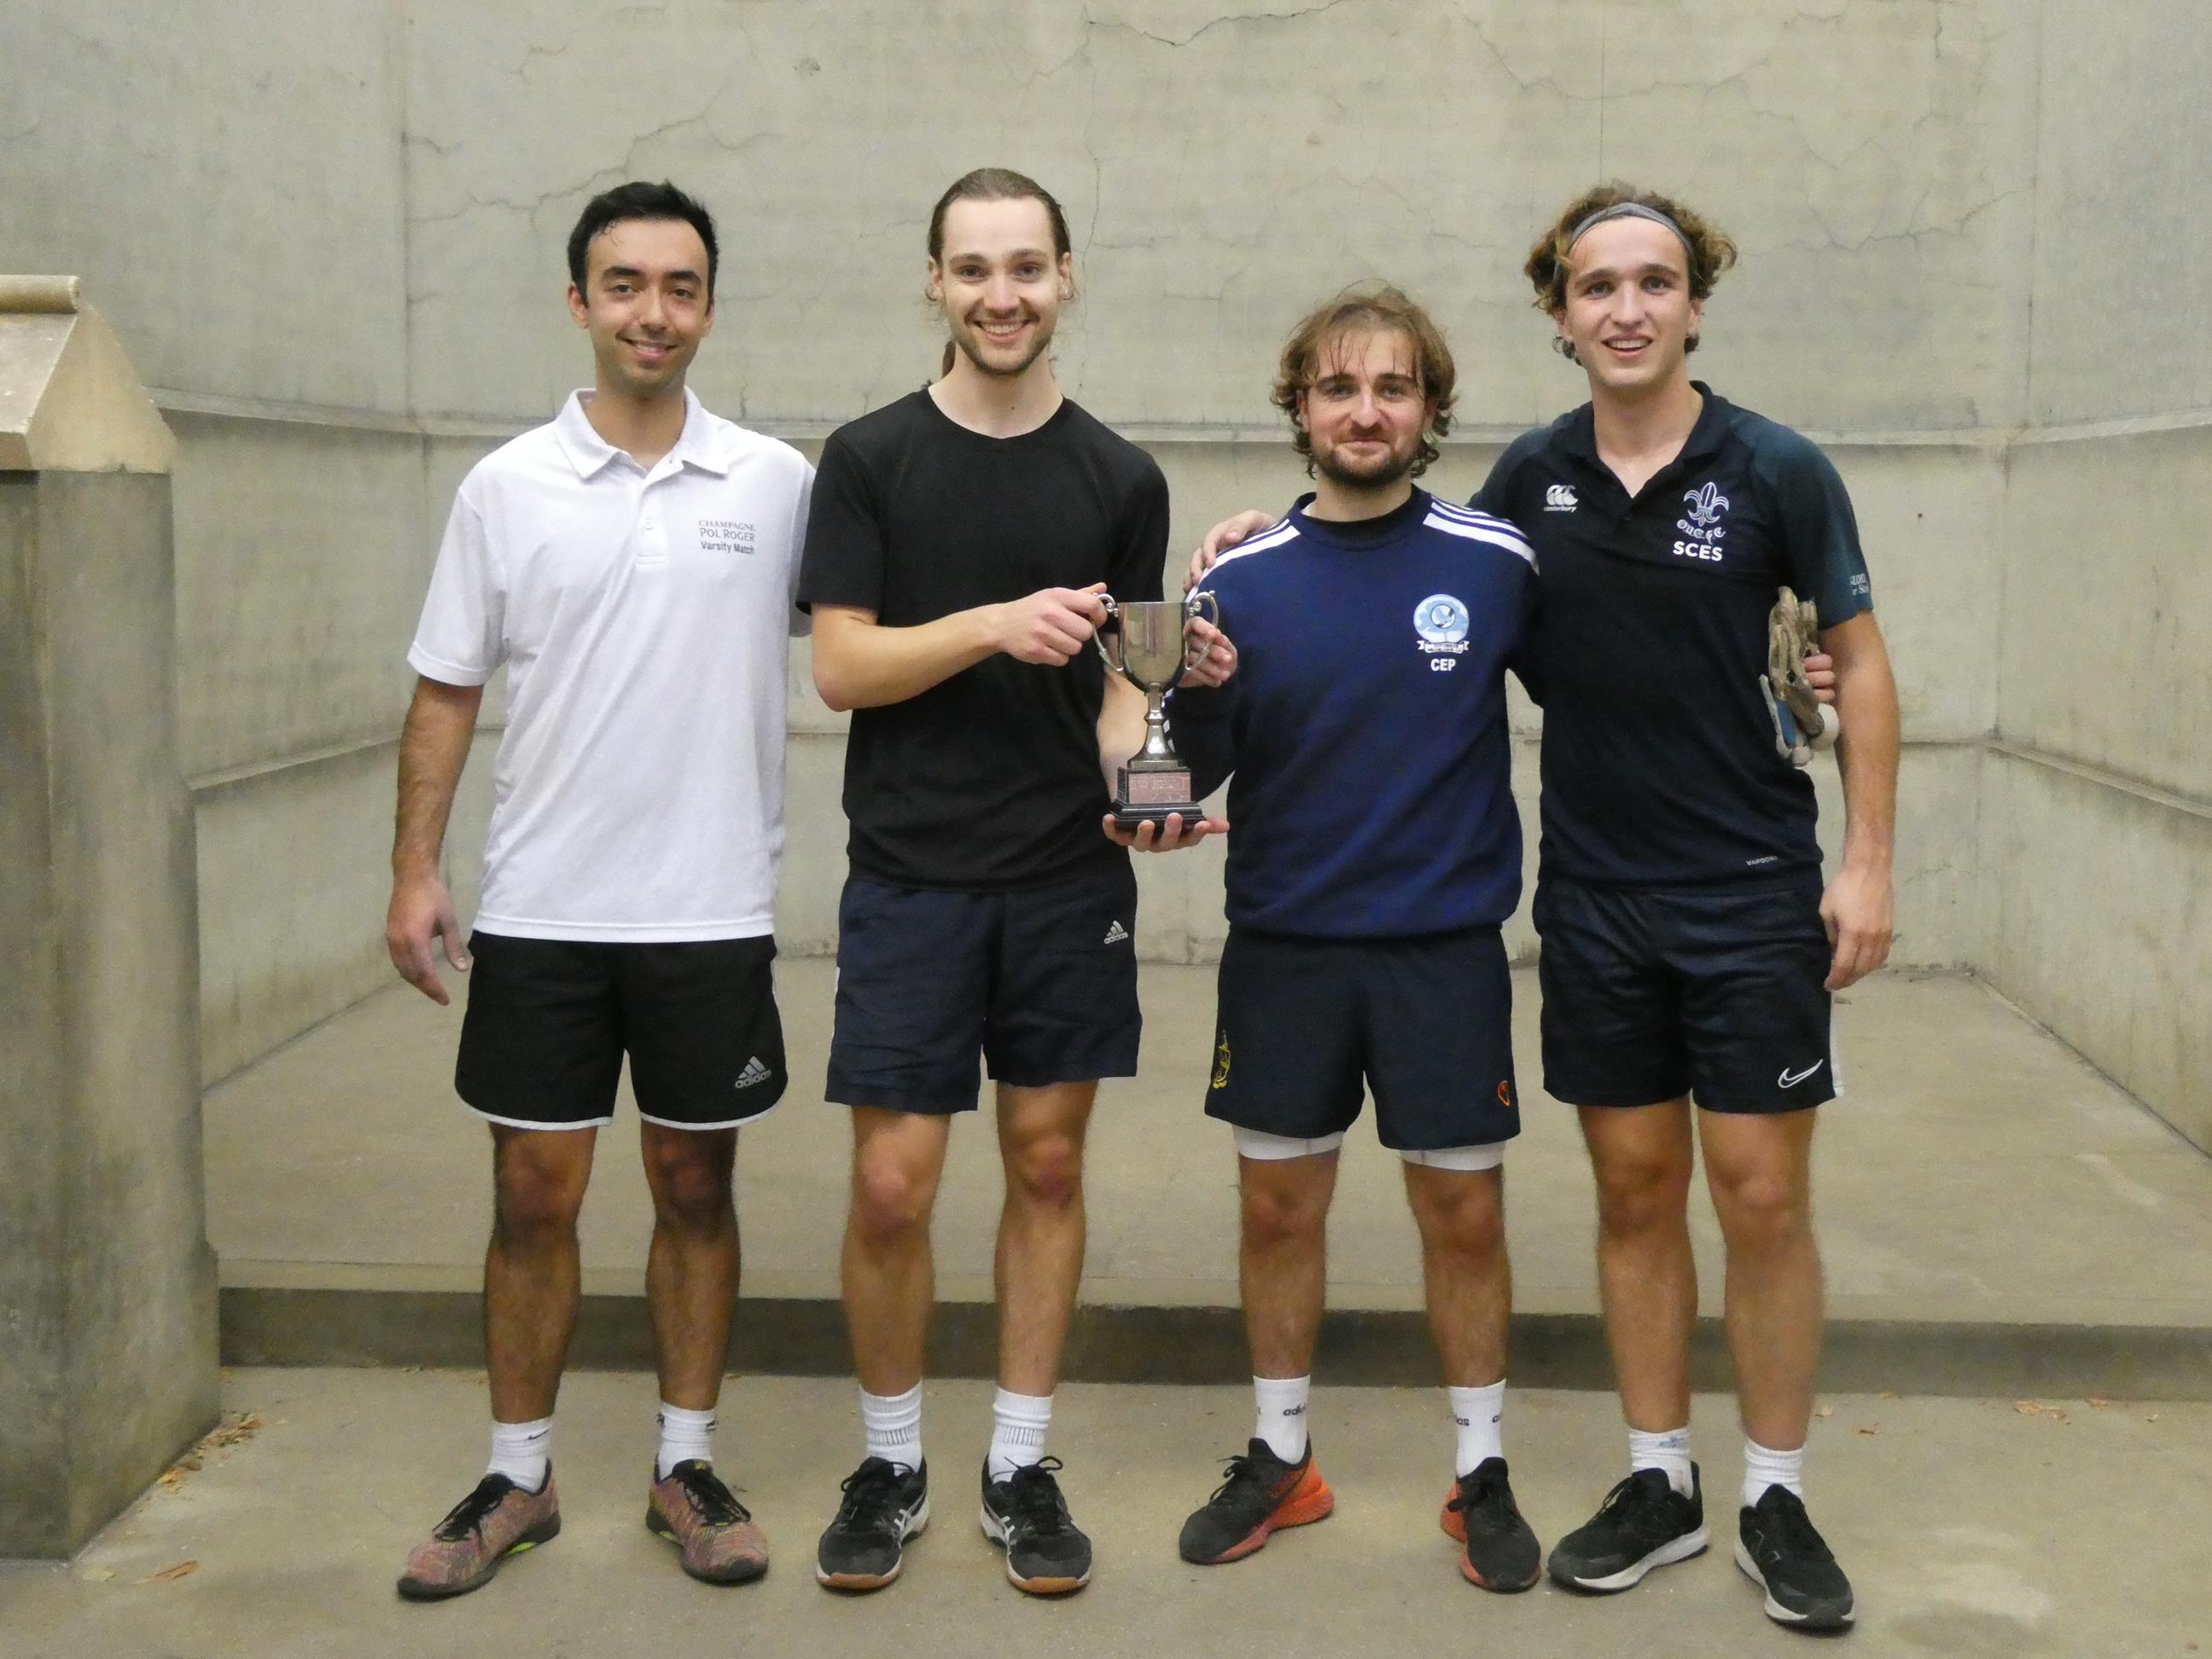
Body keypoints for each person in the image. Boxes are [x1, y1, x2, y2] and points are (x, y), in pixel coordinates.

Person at [1195, 185, 1892, 1633]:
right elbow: (1383, 576)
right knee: (1634, 1195)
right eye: (1596, 287)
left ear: (1695, 302)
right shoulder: (1530, 487)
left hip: (1753, 888)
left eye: (1653, 283)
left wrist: (1866, 854)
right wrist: (1245, 549)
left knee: (1760, 1198)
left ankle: (1772, 1491)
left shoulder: (1778, 468)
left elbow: (1853, 664)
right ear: (1561, 313)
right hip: (1591, 897)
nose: (1625, 308)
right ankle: (1659, 1480)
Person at [798, 166, 1230, 1598]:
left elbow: (1127, 696)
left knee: (1048, 1163)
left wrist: (1147, 793)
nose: (1002, 294)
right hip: (913, 877)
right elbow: (843, 666)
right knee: (890, 1184)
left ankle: (1021, 1460)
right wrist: (989, 623)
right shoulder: (867, 460)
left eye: (1028, 268)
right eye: (974, 268)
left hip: (1062, 881)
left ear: (1067, 280)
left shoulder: (1119, 479)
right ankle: (892, 1456)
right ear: (934, 281)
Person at [385, 180, 812, 1600]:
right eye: (624, 285)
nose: (653, 311)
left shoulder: (776, 482)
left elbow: (887, 622)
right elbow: (447, 690)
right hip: (543, 911)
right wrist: (413, 872)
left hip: (707, 911)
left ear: (708, 306)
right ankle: (519, 1477)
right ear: (581, 303)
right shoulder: (505, 486)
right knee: (532, 1193)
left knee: (696, 1182)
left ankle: (684, 1463)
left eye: (681, 286)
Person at [1138, 285, 1545, 1592]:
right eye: (1336, 388)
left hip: (1442, 953)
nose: (1363, 411)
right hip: (1288, 950)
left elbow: (1618, 684)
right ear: (1298, 407)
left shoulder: (1497, 561)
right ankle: (1281, 1457)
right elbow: (1182, 766)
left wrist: (1792, 687)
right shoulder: (1234, 579)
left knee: (1463, 1216)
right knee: (1277, 1208)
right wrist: (1169, 759)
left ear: (1428, 408)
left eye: (1391, 388)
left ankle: (1480, 1470)